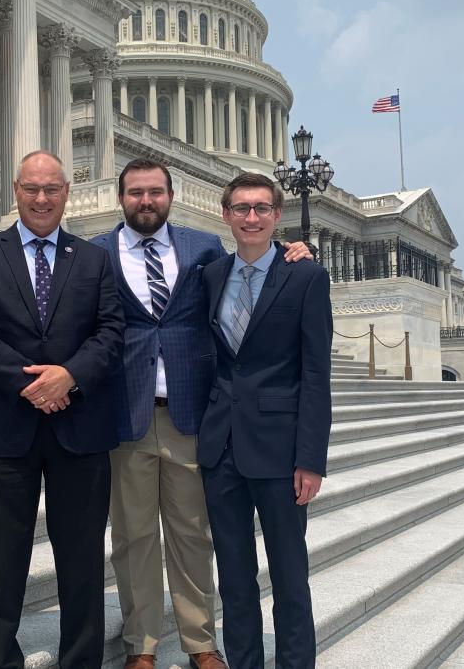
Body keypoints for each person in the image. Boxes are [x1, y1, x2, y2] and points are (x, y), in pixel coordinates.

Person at [90, 160, 310, 669]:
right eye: (136, 193)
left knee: (192, 532)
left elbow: (252, 276)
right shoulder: (97, 253)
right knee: (133, 536)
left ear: (172, 195)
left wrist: (296, 250)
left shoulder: (203, 249)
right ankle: (141, 644)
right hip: (126, 415)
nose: (146, 201)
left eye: (155, 192)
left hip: (192, 412)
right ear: (120, 197)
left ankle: (200, 642)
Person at [0, 150, 125, 669]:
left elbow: (111, 332)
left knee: (82, 559)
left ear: (67, 192)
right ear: (15, 191)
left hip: (81, 429)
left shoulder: (93, 259)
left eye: (52, 189)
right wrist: (29, 384)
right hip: (3, 429)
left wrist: (69, 375)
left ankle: (81, 660)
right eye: (32, 188)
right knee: (4, 558)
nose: (42, 199)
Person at [198, 172, 333, 669]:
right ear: (226, 214)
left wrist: (311, 459)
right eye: (240, 208)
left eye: (260, 208)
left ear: (277, 216)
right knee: (234, 577)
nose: (250, 217)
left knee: (290, 576)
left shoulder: (306, 276)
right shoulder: (212, 275)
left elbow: (317, 373)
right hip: (222, 450)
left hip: (281, 451)